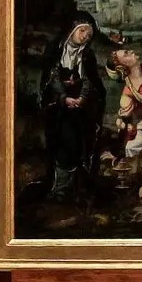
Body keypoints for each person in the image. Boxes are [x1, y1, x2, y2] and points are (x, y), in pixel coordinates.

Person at [39, 18, 106, 201]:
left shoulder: (87, 56)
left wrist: (82, 98)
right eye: (82, 31)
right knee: (64, 146)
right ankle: (59, 189)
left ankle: (78, 189)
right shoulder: (55, 51)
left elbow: (90, 82)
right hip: (59, 110)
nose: (85, 36)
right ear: (72, 30)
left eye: (89, 34)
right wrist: (63, 98)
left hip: (81, 110)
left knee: (81, 146)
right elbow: (51, 80)